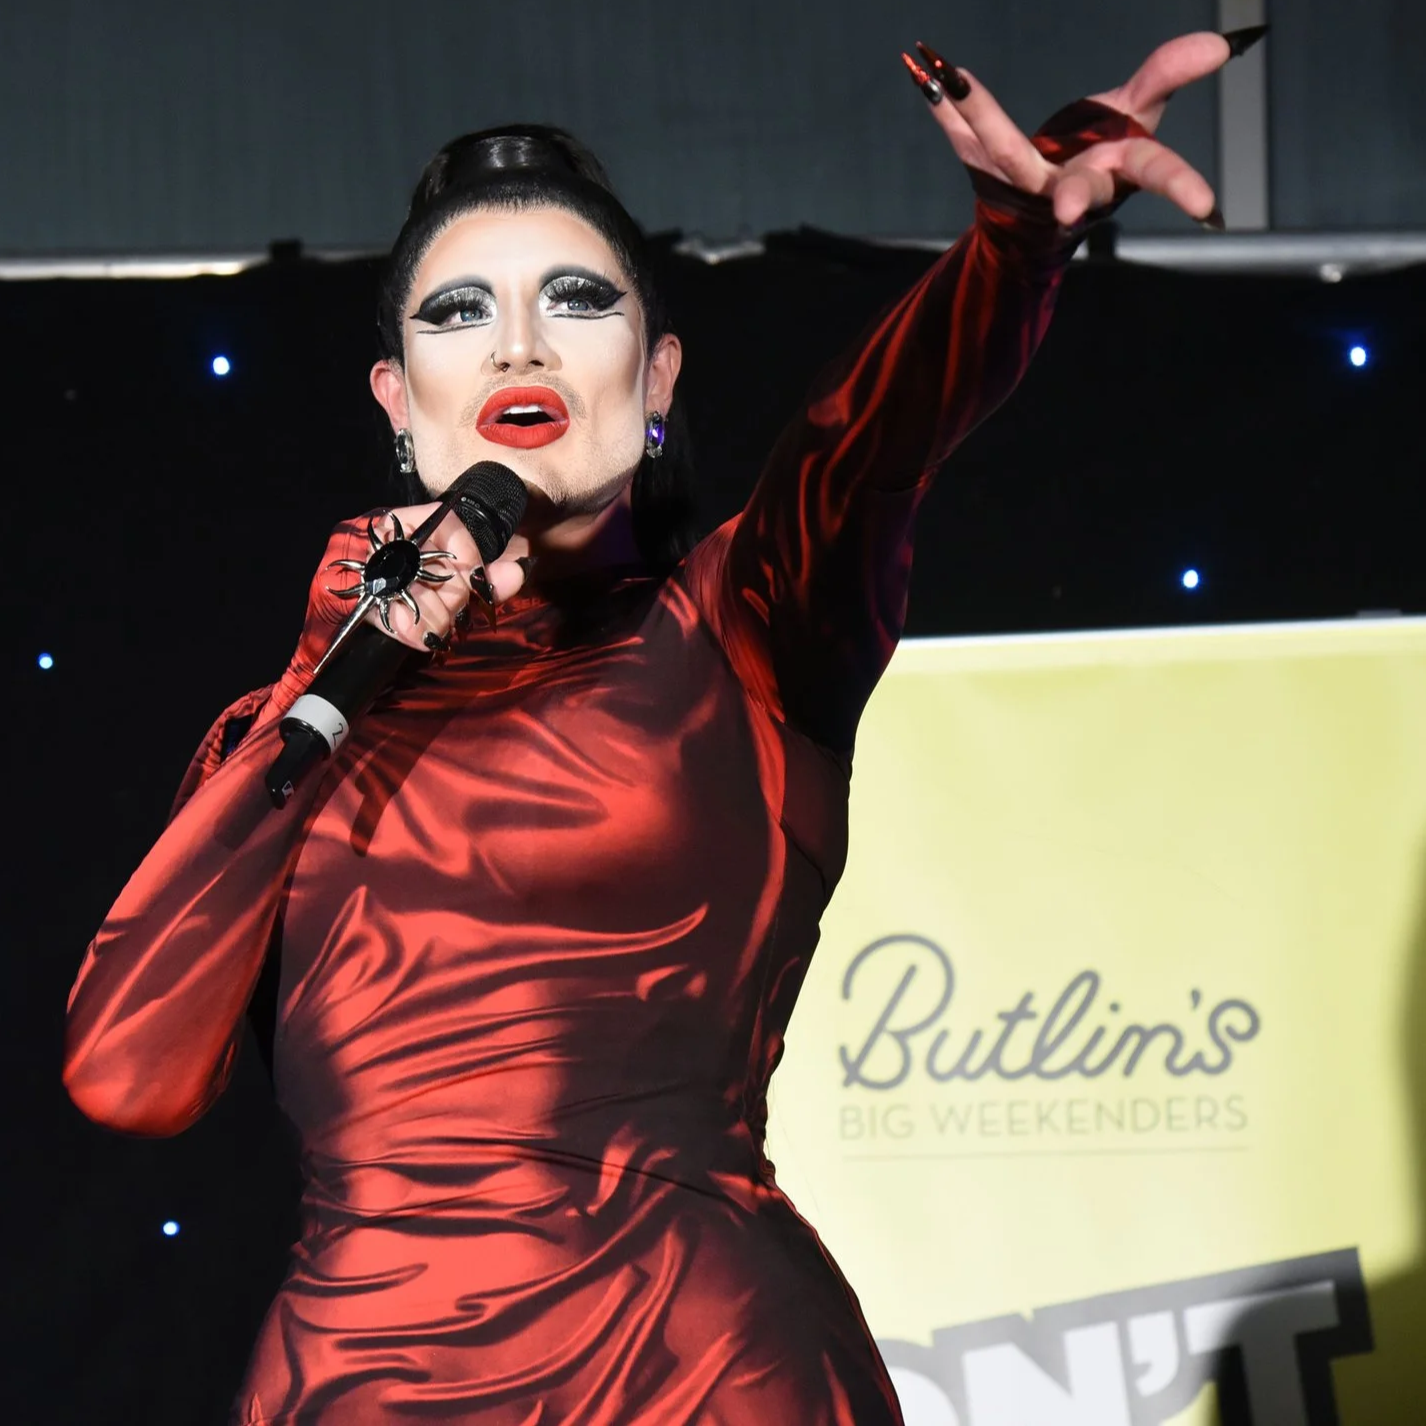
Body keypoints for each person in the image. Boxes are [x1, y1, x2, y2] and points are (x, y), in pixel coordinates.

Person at [63, 29, 1261, 1426]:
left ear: (659, 380)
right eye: (459, 313)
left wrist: (1006, 248)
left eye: (575, 300)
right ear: (397, 401)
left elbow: (860, 447)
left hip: (693, 1366)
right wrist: (326, 669)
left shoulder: (740, 623)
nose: (517, 340)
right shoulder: (292, 726)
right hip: (356, 1391)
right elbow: (124, 1074)